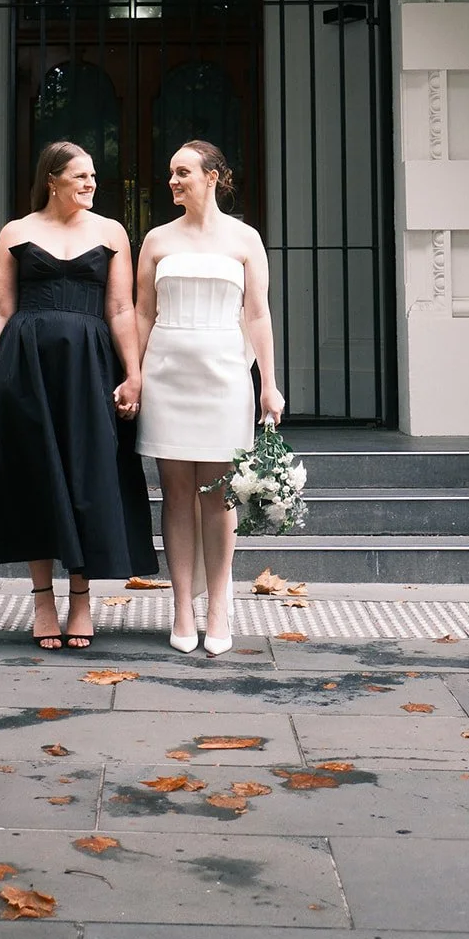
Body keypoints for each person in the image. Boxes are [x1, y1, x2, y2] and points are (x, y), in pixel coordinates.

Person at [0, 140, 157, 650]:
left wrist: (134, 373)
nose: (91, 184)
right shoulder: (16, 233)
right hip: (25, 368)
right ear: (53, 180)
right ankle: (43, 599)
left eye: (92, 177)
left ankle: (82, 599)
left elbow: (121, 309)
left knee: (87, 476)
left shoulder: (111, 232)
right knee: (34, 476)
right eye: (80, 176)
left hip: (90, 369)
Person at [135, 140, 284, 656]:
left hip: (224, 373)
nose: (173, 181)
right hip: (167, 372)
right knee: (175, 493)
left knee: (218, 497)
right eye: (170, 173)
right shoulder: (155, 239)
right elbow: (140, 313)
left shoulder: (245, 239)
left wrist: (269, 382)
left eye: (183, 172)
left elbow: (258, 314)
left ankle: (219, 605)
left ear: (213, 176)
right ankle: (180, 607)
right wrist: (134, 375)